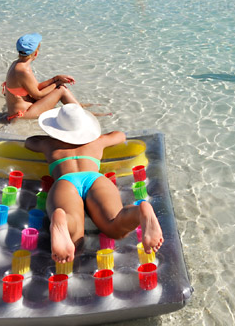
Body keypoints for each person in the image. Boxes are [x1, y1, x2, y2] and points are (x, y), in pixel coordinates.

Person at [24, 103, 164, 263]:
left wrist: (50, 137)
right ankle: (139, 212)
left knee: (75, 236)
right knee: (115, 226)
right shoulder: (98, 141)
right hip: (95, 179)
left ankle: (62, 217)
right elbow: (120, 135)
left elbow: (29, 142)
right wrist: (97, 136)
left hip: (66, 181)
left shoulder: (48, 144)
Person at [3, 34, 79, 121]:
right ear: (36, 53)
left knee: (60, 88)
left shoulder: (18, 64)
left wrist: (56, 78)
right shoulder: (23, 70)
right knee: (61, 90)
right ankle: (82, 114)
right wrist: (57, 83)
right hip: (22, 114)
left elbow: (37, 88)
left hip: (23, 109)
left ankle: (78, 107)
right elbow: (38, 96)